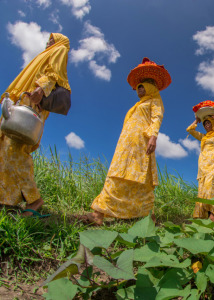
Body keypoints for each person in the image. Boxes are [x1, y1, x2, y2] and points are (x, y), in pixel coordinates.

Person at [82, 58, 170, 225]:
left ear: (150, 87)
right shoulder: (138, 105)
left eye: (142, 87)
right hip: (126, 144)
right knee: (118, 173)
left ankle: (147, 217)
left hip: (141, 143)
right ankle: (99, 214)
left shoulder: (155, 101)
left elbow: (157, 118)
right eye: (138, 88)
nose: (139, 90)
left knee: (141, 178)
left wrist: (153, 136)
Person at [0, 33, 71, 217]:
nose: (49, 42)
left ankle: (34, 200)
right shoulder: (42, 55)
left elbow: (54, 72)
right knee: (4, 150)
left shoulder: (60, 49)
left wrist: (42, 88)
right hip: (18, 100)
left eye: (52, 39)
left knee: (15, 148)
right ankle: (7, 200)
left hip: (31, 100)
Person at [187, 109, 214, 221]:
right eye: (205, 124)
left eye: (209, 122)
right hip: (203, 166)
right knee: (202, 190)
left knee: (210, 188)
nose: (207, 125)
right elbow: (190, 130)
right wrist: (196, 121)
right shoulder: (203, 137)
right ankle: (201, 215)